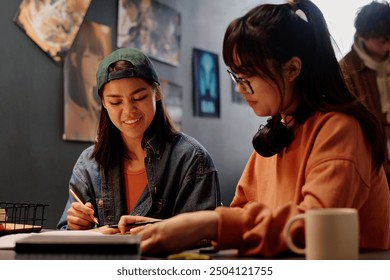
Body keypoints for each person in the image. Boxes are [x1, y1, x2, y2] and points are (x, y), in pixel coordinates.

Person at [114, 0, 390, 257]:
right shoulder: (279, 132)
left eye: (246, 78)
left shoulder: (340, 128)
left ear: (292, 69)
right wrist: (173, 226)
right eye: (235, 76)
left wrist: (208, 224)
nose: (239, 88)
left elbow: (310, 227)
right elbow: (242, 215)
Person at [57, 47, 221, 230]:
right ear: (103, 103)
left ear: (157, 93)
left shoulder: (191, 159)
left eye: (139, 97)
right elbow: (65, 234)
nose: (128, 110)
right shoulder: (88, 164)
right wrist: (75, 227)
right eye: (115, 102)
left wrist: (162, 231)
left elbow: (204, 238)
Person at [339, 1, 390, 184]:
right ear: (364, 36)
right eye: (382, 41)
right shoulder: (346, 69)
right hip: (374, 162)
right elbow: (349, 122)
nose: (387, 47)